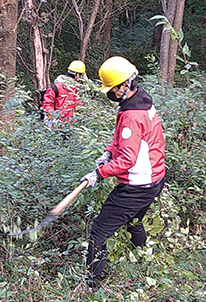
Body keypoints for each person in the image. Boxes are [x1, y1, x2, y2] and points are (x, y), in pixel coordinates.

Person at [80, 56, 166, 288]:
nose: (110, 93)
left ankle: (91, 285)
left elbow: (128, 159)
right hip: (155, 179)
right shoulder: (140, 101)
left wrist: (99, 174)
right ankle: (144, 257)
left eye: (112, 88)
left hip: (136, 186)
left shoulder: (131, 116)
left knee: (98, 233)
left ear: (123, 86)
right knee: (134, 222)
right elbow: (127, 141)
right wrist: (108, 152)